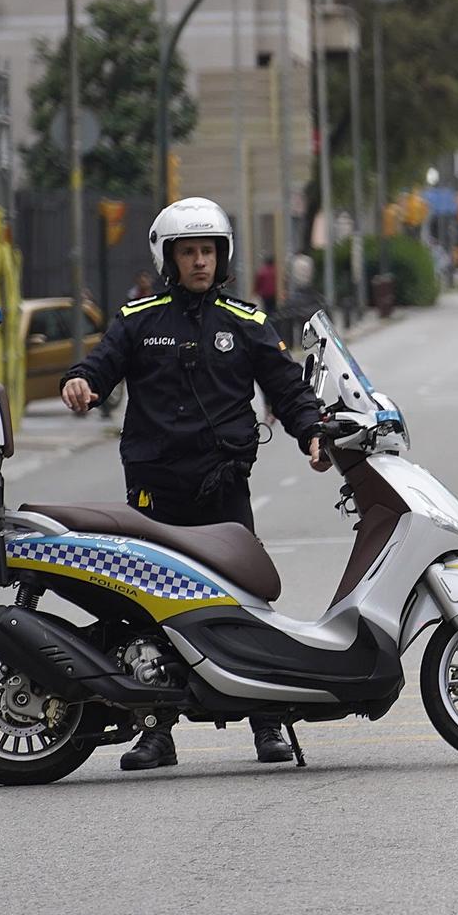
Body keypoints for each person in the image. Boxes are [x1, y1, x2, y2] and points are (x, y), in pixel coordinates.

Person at [60, 196, 329, 773]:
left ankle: (268, 722)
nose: (200, 262)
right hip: (157, 492)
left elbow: (288, 390)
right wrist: (80, 382)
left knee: (245, 597)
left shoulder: (247, 322)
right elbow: (99, 367)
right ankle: (156, 732)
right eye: (189, 252)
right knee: (152, 607)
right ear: (169, 257)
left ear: (222, 255)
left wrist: (312, 435)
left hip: (224, 486)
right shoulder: (137, 320)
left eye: (208, 251)